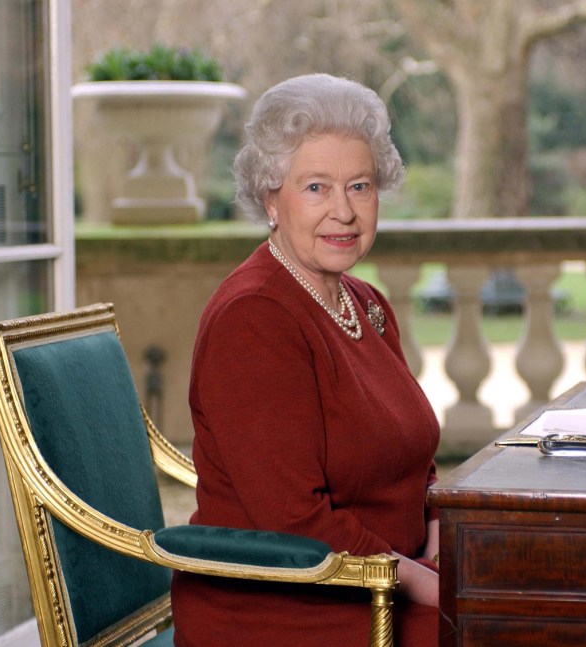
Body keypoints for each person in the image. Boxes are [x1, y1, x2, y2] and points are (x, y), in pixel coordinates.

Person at [170, 73, 441, 645]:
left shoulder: (364, 303)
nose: (343, 212)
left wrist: (440, 532)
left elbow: (412, 454)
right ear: (271, 198)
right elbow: (294, 519)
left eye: (360, 186)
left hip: (386, 579)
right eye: (316, 187)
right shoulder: (255, 318)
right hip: (287, 604)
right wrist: (424, 582)